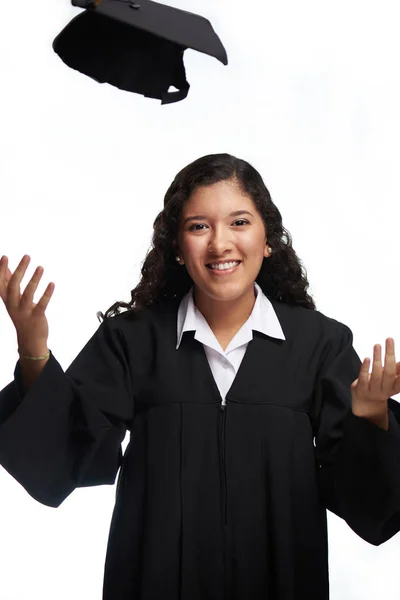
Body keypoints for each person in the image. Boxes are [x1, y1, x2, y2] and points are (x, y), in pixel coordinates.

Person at [1, 152, 400, 600]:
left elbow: (369, 505)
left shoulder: (318, 344)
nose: (220, 244)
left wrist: (371, 418)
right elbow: (64, 457)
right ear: (176, 245)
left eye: (240, 222)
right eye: (198, 226)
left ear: (268, 239)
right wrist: (33, 352)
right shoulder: (133, 341)